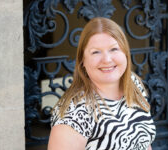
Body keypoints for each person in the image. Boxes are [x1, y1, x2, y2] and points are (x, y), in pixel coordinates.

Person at [48, 17, 156, 150]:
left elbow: (144, 143)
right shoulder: (75, 113)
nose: (107, 59)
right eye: (96, 52)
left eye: (114, 49)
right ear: (83, 60)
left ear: (125, 53)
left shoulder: (133, 84)